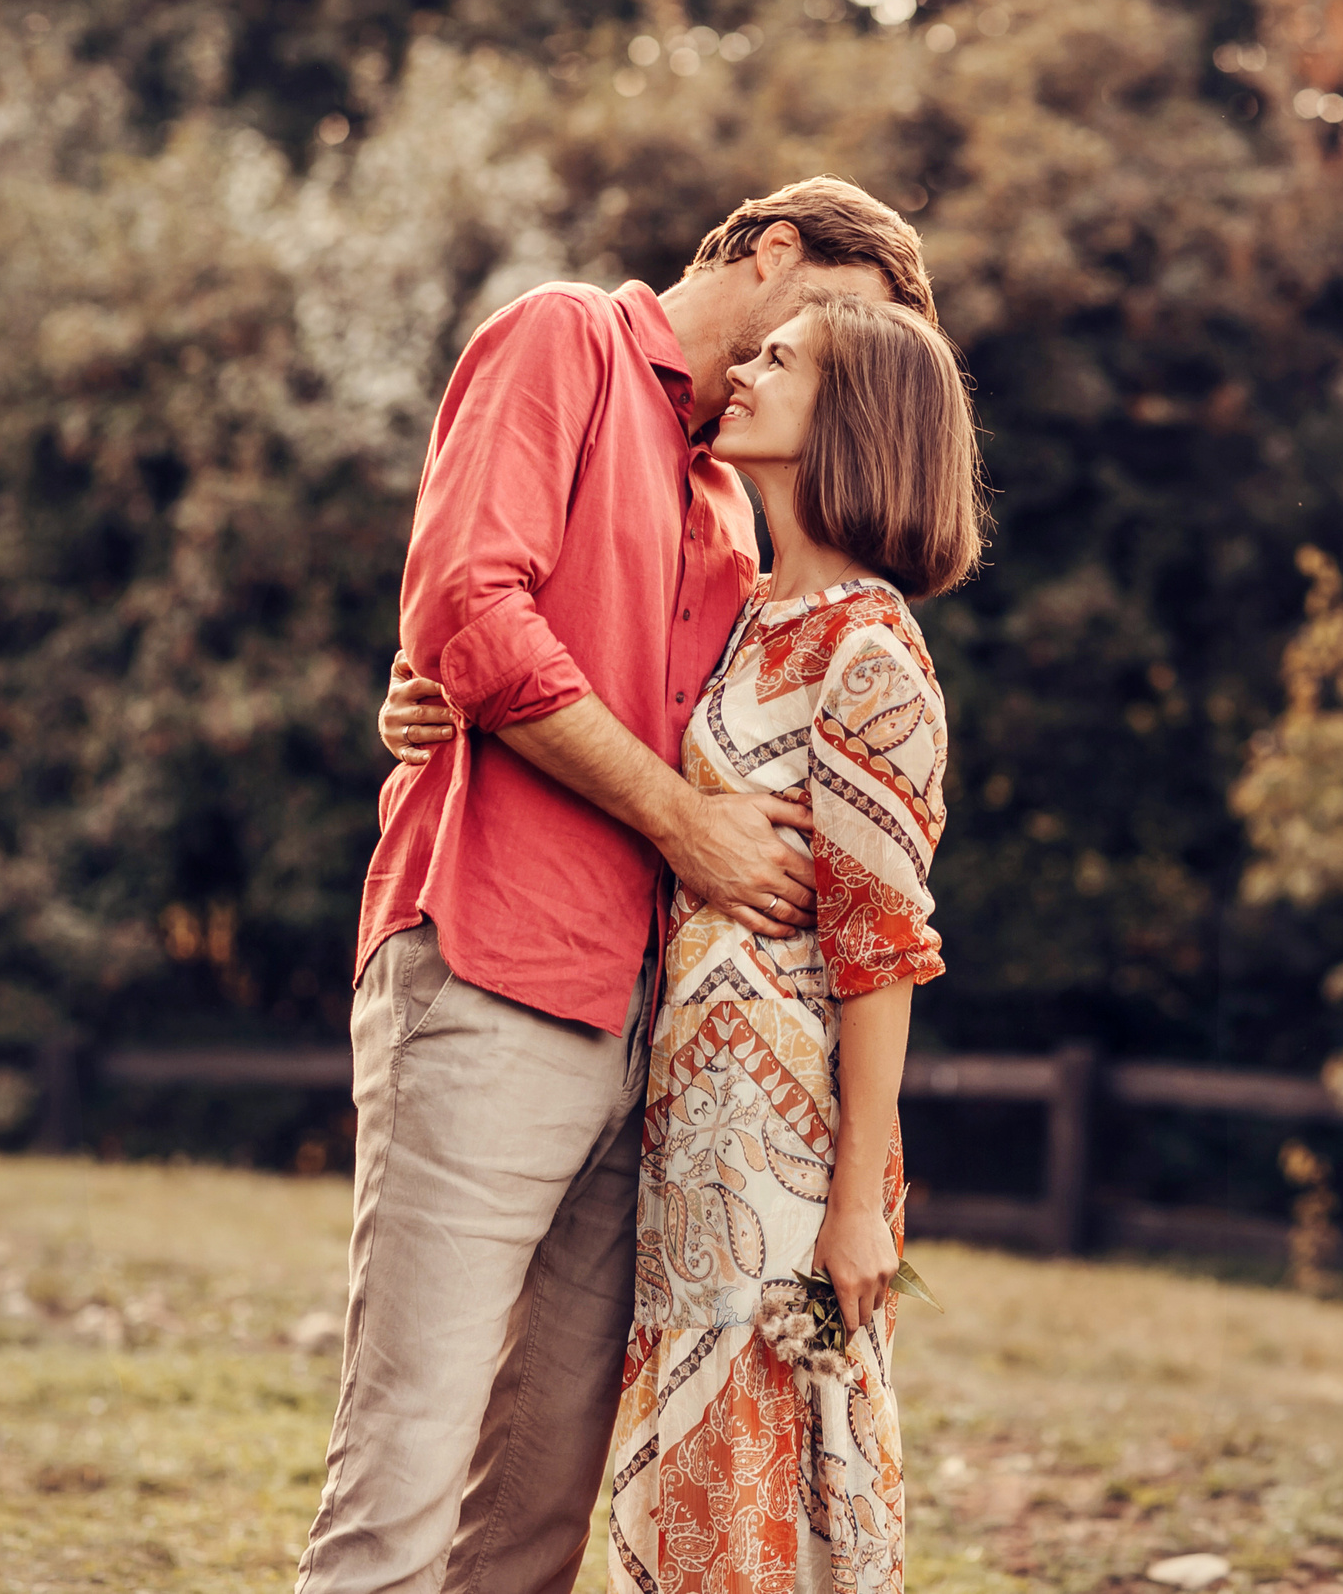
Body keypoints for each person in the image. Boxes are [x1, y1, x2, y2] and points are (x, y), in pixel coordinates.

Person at [298, 179, 934, 1594]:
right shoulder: (564, 341)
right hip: (495, 975)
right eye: (839, 319)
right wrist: (676, 818)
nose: (841, 366)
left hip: (654, 1053)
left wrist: (447, 687)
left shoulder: (734, 505)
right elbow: (471, 610)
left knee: (535, 1513)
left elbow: (643, 707)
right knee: (403, 1475)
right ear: (775, 253)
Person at [604, 291, 983, 1594]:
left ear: (852, 422)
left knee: (770, 1467)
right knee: (688, 1480)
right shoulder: (742, 614)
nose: (744, 371)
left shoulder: (871, 650)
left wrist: (857, 1206)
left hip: (788, 1148)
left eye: (782, 361)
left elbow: (882, 950)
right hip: (688, 1120)